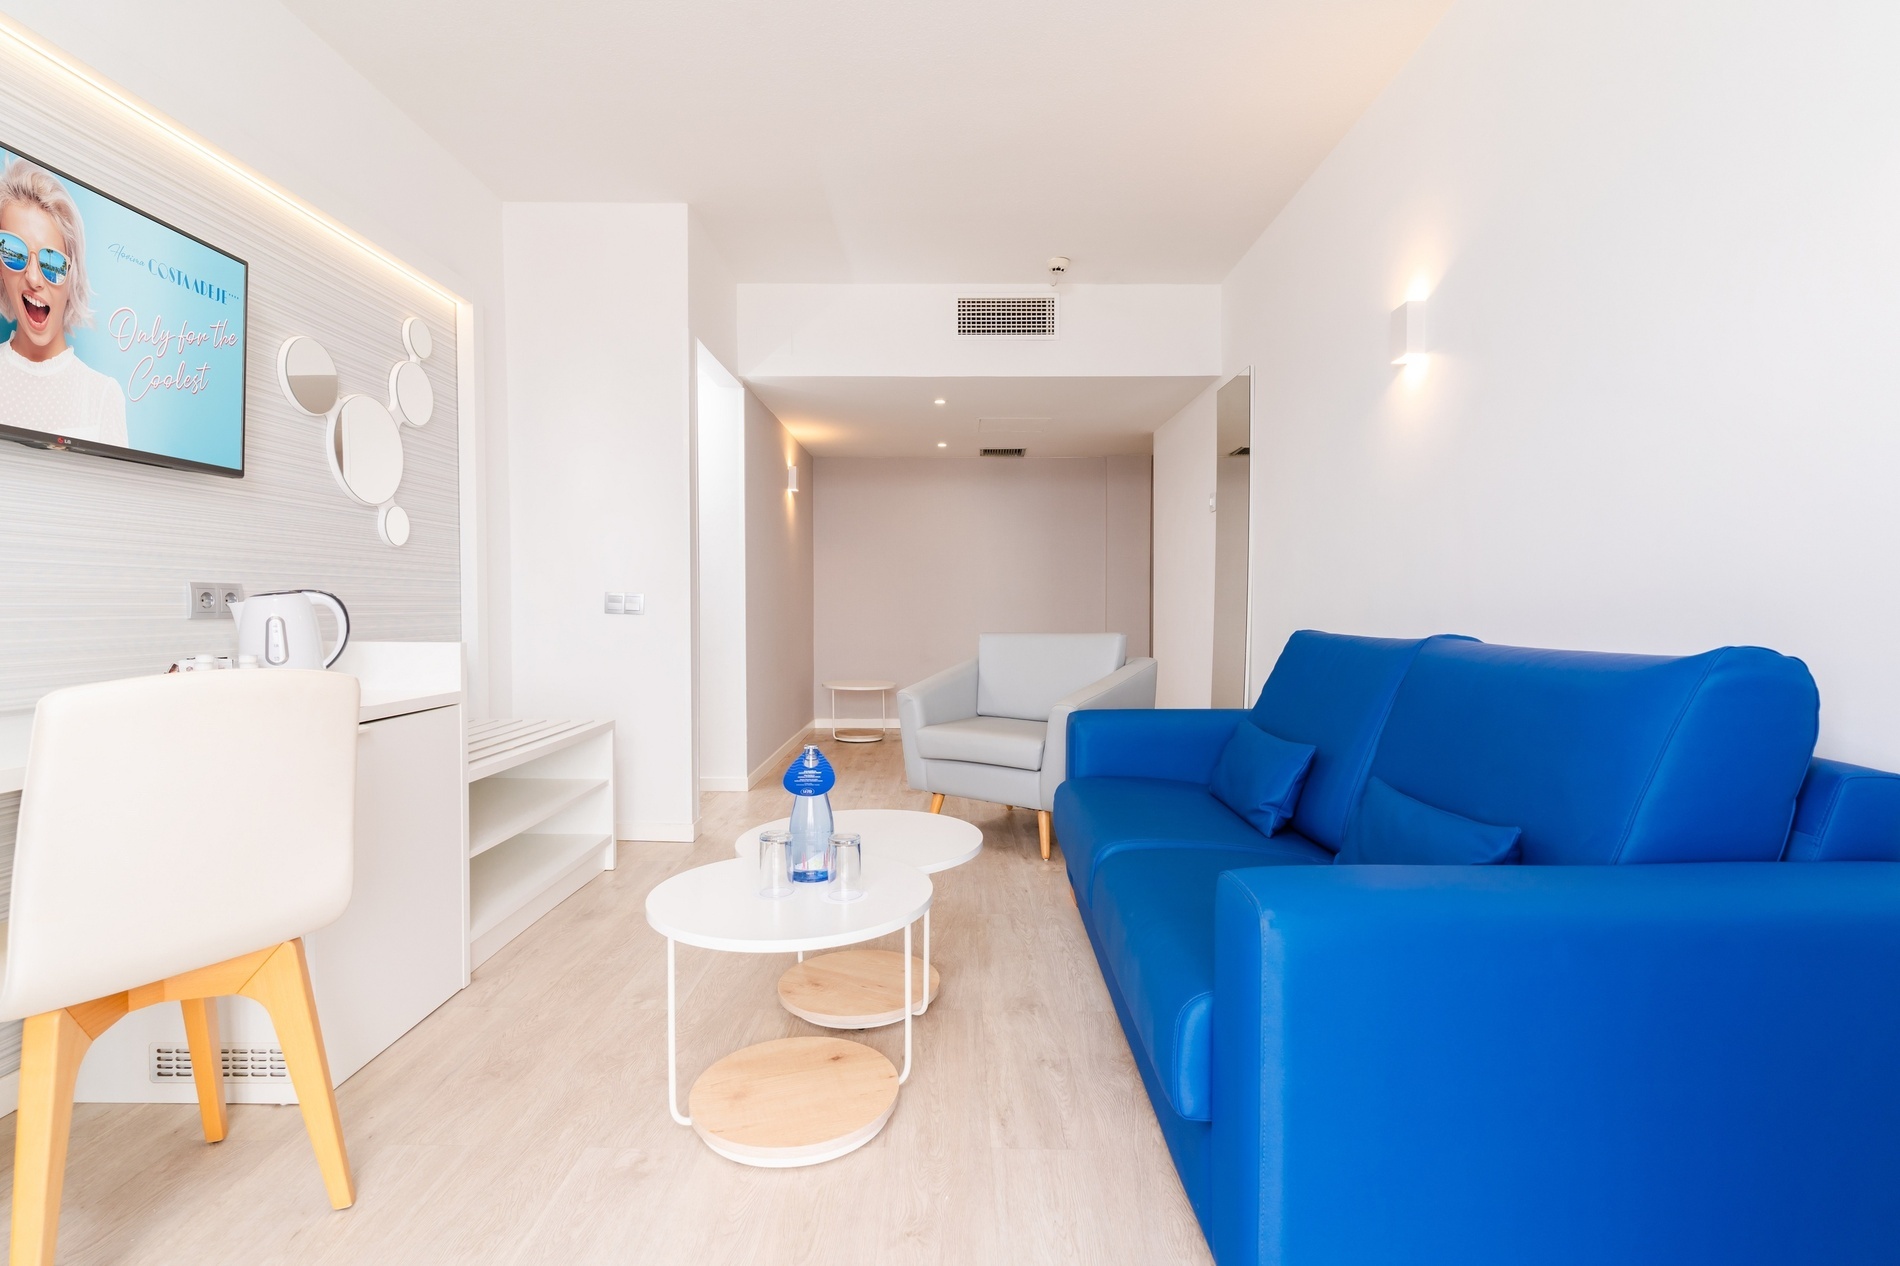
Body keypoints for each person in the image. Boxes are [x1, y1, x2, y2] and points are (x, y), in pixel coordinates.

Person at [0, 158, 126, 447]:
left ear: (73, 276)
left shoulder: (102, 395)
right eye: (14, 251)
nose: (33, 278)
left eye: (52, 262)